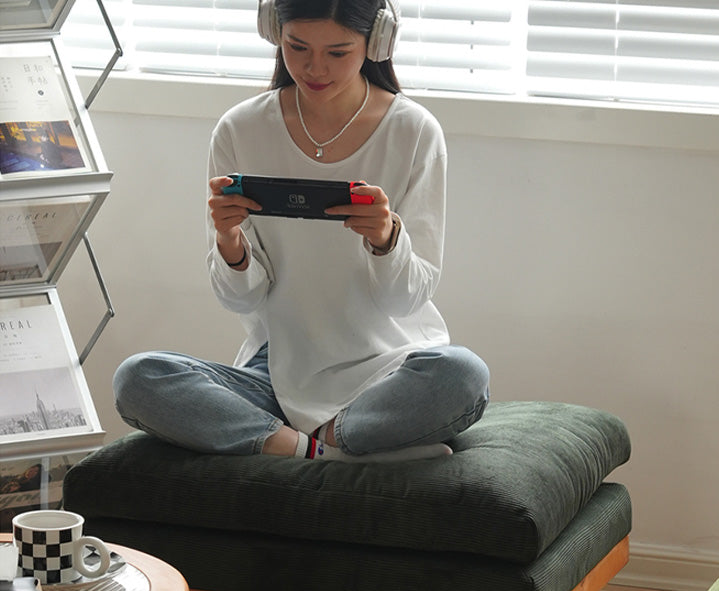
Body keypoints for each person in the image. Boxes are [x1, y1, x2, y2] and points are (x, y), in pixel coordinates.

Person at [113, 0, 490, 462]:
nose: (314, 68)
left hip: (388, 371)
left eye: (337, 52)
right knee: (139, 378)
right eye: (297, 47)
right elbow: (242, 300)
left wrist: (387, 239)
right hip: (279, 376)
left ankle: (306, 442)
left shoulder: (413, 131)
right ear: (275, 32)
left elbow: (406, 300)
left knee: (464, 375)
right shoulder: (241, 129)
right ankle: (324, 451)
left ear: (376, 42)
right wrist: (230, 246)